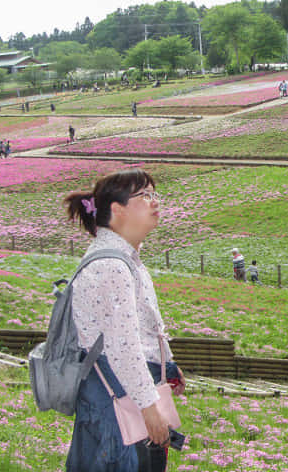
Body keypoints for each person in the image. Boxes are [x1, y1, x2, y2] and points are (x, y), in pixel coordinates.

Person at [64, 168, 185, 472]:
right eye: (144, 196)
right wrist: (149, 407)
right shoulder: (111, 265)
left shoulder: (124, 258)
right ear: (117, 210)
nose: (155, 202)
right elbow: (122, 346)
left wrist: (167, 364)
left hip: (119, 393)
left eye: (154, 194)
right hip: (117, 400)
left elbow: (140, 328)